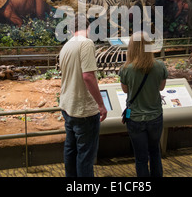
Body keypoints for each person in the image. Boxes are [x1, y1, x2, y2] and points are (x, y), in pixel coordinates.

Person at [59, 14, 107, 177]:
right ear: (88, 28)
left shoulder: (66, 46)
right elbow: (88, 76)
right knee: (85, 157)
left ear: (71, 30)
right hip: (83, 110)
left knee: (70, 151)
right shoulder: (86, 44)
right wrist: (101, 104)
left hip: (68, 107)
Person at [119, 32, 168, 177]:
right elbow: (161, 88)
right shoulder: (160, 66)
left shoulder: (126, 69)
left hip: (135, 118)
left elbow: (125, 90)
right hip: (155, 117)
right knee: (155, 153)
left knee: (140, 158)